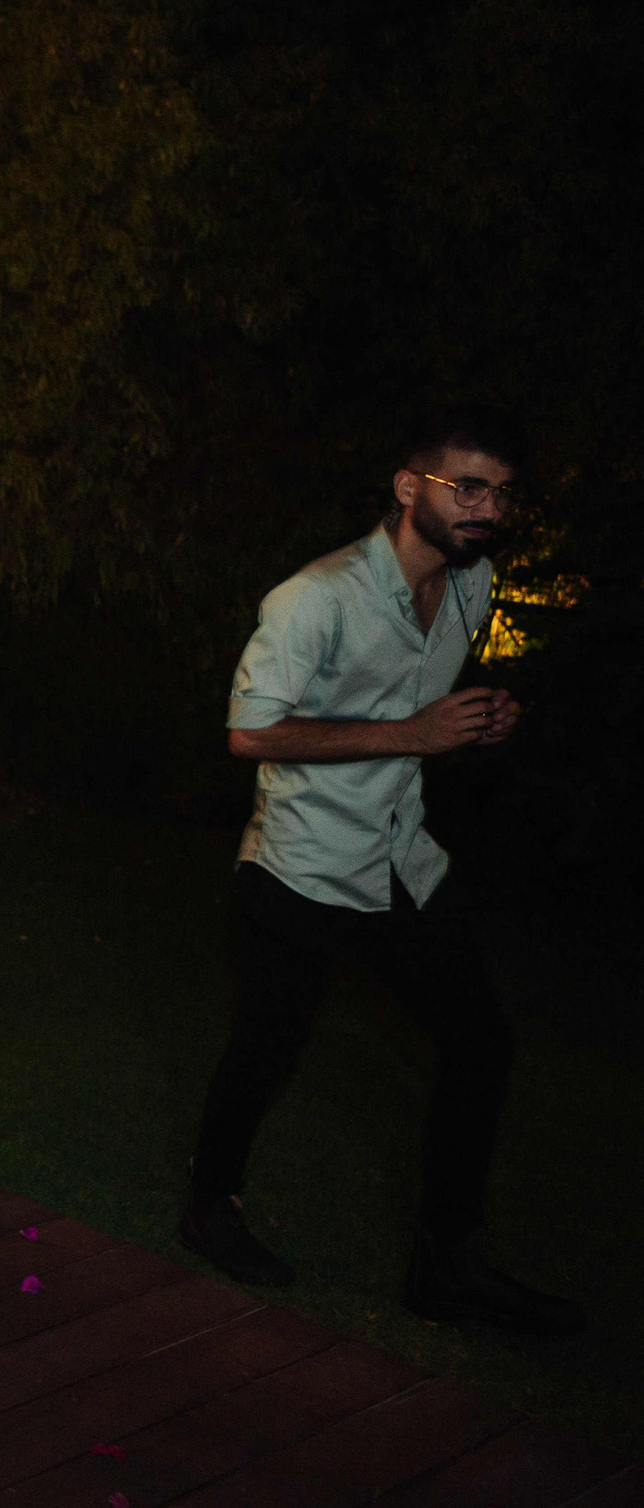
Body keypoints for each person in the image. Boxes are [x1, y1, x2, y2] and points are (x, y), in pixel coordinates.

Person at [181, 408, 583, 1335]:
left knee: (480, 1041)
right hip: (302, 866)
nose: (488, 508)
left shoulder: (474, 587)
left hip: (403, 858)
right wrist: (413, 734)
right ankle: (211, 1208)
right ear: (412, 488)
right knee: (266, 1048)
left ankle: (447, 1266)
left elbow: (422, 714)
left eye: (501, 492)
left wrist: (473, 726)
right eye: (467, 487)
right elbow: (249, 731)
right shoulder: (315, 597)